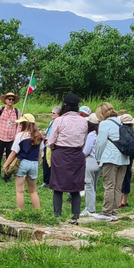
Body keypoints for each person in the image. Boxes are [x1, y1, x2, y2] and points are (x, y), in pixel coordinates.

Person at [47, 94, 88, 224]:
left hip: (61, 153)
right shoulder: (83, 121)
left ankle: (57, 215)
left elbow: (51, 140)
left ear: (64, 105)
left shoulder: (59, 120)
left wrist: (51, 146)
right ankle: (75, 216)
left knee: (57, 186)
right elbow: (84, 141)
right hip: (77, 154)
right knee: (76, 187)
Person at [93, 103, 130, 221]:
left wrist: (98, 158)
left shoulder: (105, 124)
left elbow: (100, 142)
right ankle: (114, 211)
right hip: (124, 158)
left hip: (110, 158)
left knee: (109, 185)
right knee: (117, 186)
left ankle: (106, 212)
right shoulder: (121, 122)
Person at [2, 113, 42, 210]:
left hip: (23, 163)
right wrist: (37, 163)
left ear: (25, 124)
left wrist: (5, 165)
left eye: (21, 123)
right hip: (34, 163)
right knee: (33, 191)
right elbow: (40, 154)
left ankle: (20, 212)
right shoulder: (39, 136)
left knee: (20, 191)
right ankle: (38, 212)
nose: (20, 125)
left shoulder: (20, 135)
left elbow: (13, 153)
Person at [80, 113, 100, 217]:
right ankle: (92, 206)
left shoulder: (92, 134)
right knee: (94, 185)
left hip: (90, 160)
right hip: (99, 161)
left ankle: (90, 209)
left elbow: (86, 150)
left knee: (88, 185)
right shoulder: (101, 133)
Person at [117, 113, 134, 208]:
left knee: (119, 177)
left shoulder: (119, 131)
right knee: (127, 177)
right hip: (130, 156)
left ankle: (118, 200)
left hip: (120, 156)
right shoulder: (132, 133)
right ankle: (124, 200)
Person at [41, 106, 60, 188]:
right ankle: (46, 181)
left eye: (54, 113)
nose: (52, 114)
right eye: (51, 112)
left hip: (54, 145)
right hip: (47, 144)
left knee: (53, 164)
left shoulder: (59, 123)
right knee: (45, 162)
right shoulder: (51, 122)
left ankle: (53, 181)